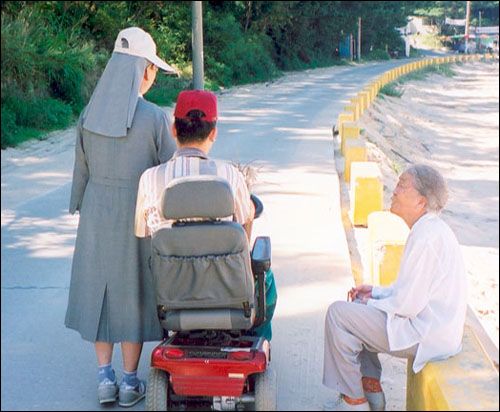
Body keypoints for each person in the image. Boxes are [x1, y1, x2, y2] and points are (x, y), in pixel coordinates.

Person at [65, 27, 178, 407]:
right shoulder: (154, 117)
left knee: (101, 292)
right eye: (153, 69)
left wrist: (78, 202)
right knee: (132, 292)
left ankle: (104, 379)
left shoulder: (87, 114)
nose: (153, 76)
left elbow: (81, 169)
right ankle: (131, 382)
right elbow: (171, 171)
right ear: (142, 71)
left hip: (96, 212)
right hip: (138, 213)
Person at [134, 89, 277, 341]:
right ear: (213, 132)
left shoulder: (149, 179)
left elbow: (142, 233)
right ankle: (257, 340)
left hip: (172, 295)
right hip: (227, 294)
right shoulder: (230, 175)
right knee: (268, 281)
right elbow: (244, 226)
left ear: (174, 130)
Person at [322, 164, 467, 411]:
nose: (394, 191)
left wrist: (372, 303)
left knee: (338, 315)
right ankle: (371, 391)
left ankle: (354, 402)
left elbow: (407, 305)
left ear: (421, 202)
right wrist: (375, 292)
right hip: (432, 329)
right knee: (357, 307)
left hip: (427, 335)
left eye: (402, 185)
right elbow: (408, 290)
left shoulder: (425, 237)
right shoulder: (429, 230)